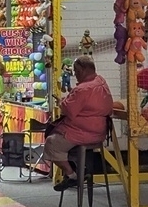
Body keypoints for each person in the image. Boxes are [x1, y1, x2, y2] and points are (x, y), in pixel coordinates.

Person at [44, 56, 114, 192]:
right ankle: (81, 168)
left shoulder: (82, 89)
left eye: (76, 71)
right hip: (100, 132)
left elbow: (68, 110)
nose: (74, 74)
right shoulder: (101, 81)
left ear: (82, 70)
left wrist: (62, 103)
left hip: (81, 132)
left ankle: (72, 175)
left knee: (51, 143)